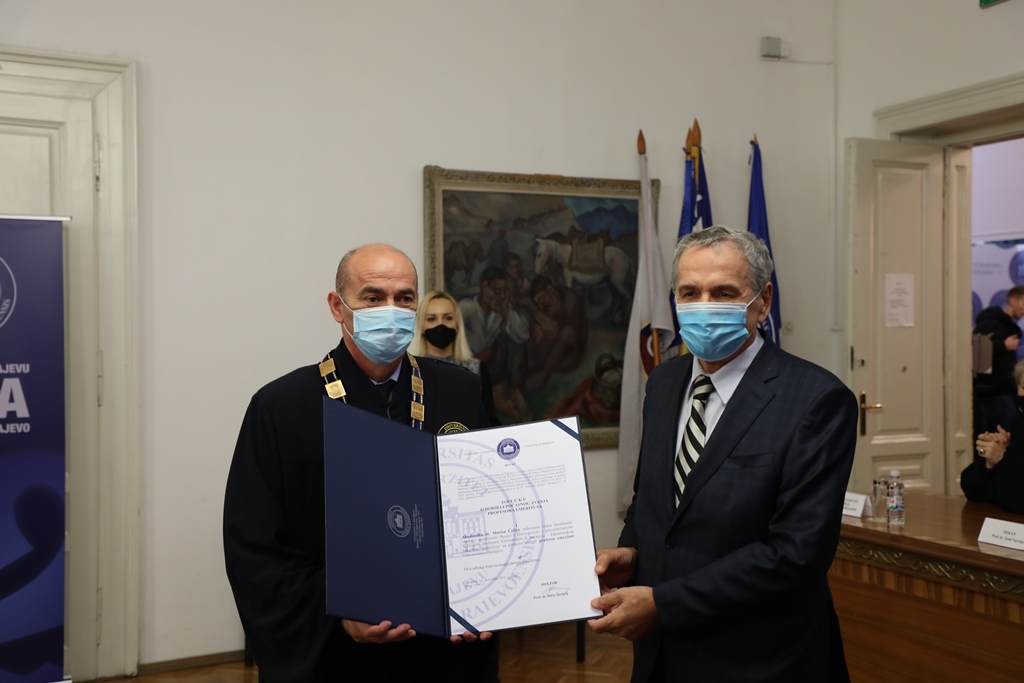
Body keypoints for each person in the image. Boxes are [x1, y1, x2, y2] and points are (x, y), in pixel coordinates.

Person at [588, 225, 857, 682]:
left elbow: (796, 555)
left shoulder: (817, 400)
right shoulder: (665, 382)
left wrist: (664, 604)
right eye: (689, 292)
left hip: (759, 659)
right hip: (660, 656)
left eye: (724, 293)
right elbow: (653, 499)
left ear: (763, 302)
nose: (704, 305)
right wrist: (632, 552)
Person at [223, 244, 497, 682]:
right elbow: (253, 548)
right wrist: (337, 609)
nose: (391, 310)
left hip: (442, 651)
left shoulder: (458, 391)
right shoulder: (280, 407)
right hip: (337, 658)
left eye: (404, 298)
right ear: (338, 306)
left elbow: (489, 506)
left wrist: (486, 593)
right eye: (373, 297)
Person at [410, 289, 498, 425]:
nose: (440, 324)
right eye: (431, 319)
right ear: (421, 326)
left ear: (457, 325)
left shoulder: (476, 369)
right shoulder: (410, 369)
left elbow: (489, 422)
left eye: (448, 318)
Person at [460, 267, 531, 423]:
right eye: (497, 291)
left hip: (492, 367)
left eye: (505, 292)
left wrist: (505, 313)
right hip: (469, 369)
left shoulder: (501, 310)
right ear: (485, 287)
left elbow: (523, 335)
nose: (501, 296)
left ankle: (515, 390)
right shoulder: (466, 309)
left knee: (513, 337)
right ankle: (498, 398)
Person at [962, 359, 1024, 514]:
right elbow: (971, 490)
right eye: (1023, 386)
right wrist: (988, 461)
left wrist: (1002, 459)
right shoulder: (1011, 426)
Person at [973, 286, 1024, 437]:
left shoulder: (1007, 325)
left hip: (1005, 389)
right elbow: (976, 349)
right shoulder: (990, 322)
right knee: (1003, 434)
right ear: (1013, 301)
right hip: (993, 391)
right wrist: (1003, 345)